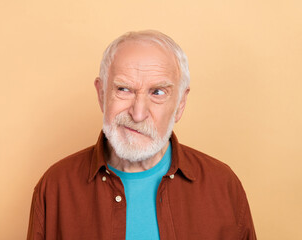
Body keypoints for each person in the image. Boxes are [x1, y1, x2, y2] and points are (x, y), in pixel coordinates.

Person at [27, 30, 257, 240]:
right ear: (101, 94)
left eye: (157, 92)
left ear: (180, 103)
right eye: (123, 89)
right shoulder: (55, 187)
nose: (137, 114)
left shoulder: (222, 185)